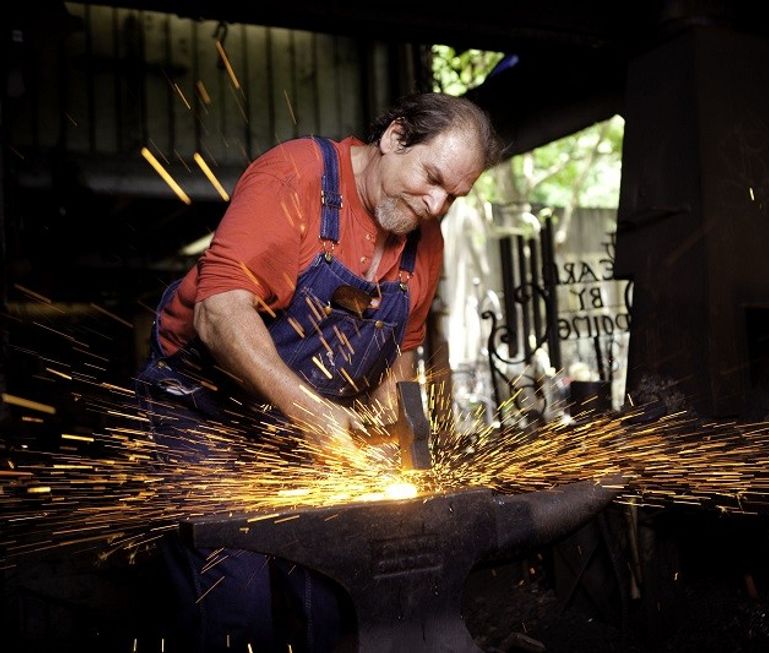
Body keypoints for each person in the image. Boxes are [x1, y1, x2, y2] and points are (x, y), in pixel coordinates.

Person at [135, 92, 501, 652]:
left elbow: (399, 356)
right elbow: (219, 313)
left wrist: (403, 451)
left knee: (330, 587)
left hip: (306, 423)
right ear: (395, 137)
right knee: (238, 594)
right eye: (431, 178)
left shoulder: (425, 242)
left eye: (454, 196)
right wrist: (313, 414)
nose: (436, 205)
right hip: (205, 411)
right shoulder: (293, 180)